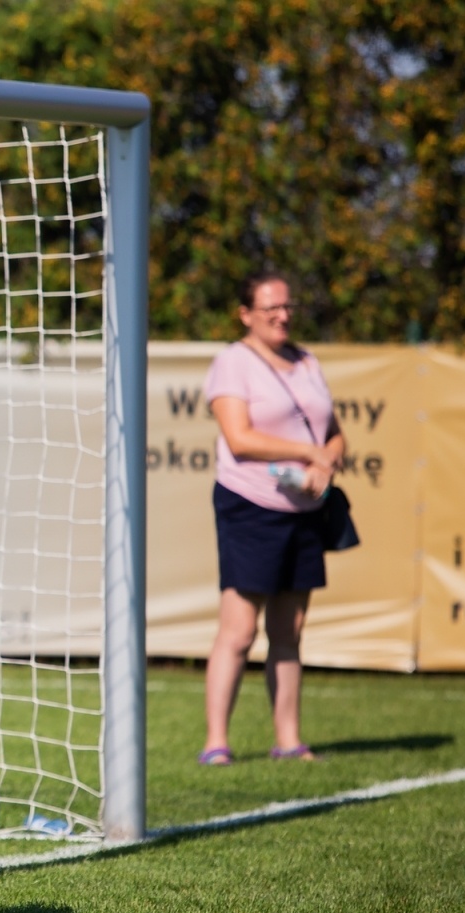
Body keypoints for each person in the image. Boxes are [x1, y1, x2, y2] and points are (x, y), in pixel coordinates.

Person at [200, 271, 345, 765]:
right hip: (250, 507)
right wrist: (308, 452)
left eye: (287, 306)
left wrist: (326, 460)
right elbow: (239, 438)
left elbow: (335, 432)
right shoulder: (232, 363)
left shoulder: (307, 361)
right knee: (238, 631)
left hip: (304, 511)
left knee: (290, 632)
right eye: (270, 309)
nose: (283, 316)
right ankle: (216, 742)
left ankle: (289, 740)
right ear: (246, 314)